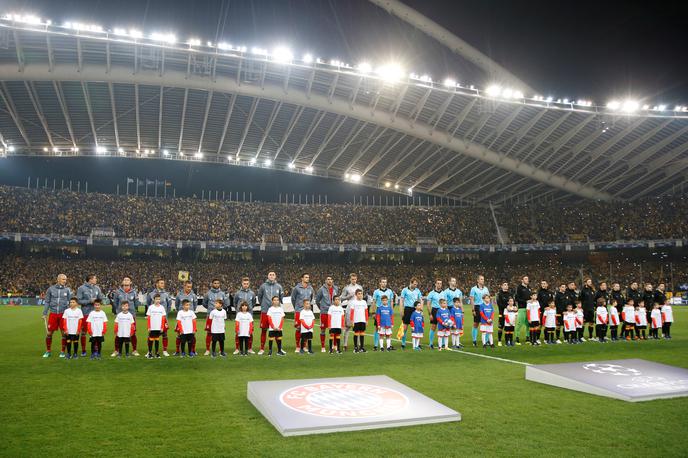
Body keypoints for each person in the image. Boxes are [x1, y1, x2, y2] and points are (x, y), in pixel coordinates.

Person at [42, 273, 72, 358]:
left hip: (63, 314)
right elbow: (47, 302)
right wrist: (44, 313)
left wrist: (71, 313)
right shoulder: (50, 289)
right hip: (53, 314)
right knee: (49, 333)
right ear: (58, 279)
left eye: (65, 280)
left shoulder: (67, 290)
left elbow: (71, 302)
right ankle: (48, 351)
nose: (65, 281)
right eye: (63, 279)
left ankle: (62, 351)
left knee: (64, 334)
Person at [76, 274, 106, 357]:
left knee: (96, 332)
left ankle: (96, 350)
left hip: (96, 313)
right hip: (85, 313)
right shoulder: (81, 288)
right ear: (90, 279)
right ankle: (83, 350)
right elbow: (78, 301)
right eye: (95, 278)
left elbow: (100, 299)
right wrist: (90, 301)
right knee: (84, 332)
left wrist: (99, 301)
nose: (96, 280)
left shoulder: (97, 288)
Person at [256, 272, 284, 355]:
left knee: (277, 330)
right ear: (268, 276)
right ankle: (262, 349)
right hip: (265, 311)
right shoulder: (263, 286)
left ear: (275, 276)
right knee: (264, 330)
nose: (271, 276)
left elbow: (281, 297)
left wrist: (277, 306)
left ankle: (279, 349)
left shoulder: (279, 286)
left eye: (273, 275)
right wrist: (264, 305)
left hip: (276, 312)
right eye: (270, 275)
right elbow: (260, 297)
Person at [112, 277, 140, 357]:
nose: (126, 281)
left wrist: (132, 310)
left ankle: (134, 350)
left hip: (131, 316)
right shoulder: (117, 292)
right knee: (118, 333)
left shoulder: (134, 292)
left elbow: (136, 303)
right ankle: (116, 350)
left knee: (133, 333)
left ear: (130, 282)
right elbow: (115, 303)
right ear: (122, 282)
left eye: (128, 280)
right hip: (120, 316)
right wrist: (118, 311)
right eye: (124, 280)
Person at [203, 279, 230, 356]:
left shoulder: (222, 293)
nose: (216, 284)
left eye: (218, 283)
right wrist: (211, 309)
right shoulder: (208, 294)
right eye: (215, 283)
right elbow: (205, 304)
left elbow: (226, 304)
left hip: (220, 317)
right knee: (209, 333)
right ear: (212, 284)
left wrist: (220, 309)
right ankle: (208, 350)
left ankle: (221, 351)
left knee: (220, 333)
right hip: (210, 316)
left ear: (219, 284)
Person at [146, 279, 172, 356]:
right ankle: (149, 351)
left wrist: (165, 314)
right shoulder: (151, 294)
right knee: (151, 335)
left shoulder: (166, 294)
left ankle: (164, 350)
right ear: (157, 284)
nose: (163, 284)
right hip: (154, 319)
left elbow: (169, 305)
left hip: (163, 318)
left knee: (165, 334)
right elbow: (148, 304)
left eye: (163, 283)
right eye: (161, 283)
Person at [291, 273, 315, 353]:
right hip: (299, 311)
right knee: (298, 329)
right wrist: (297, 308)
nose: (307, 279)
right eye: (306, 277)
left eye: (308, 277)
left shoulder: (310, 288)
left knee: (307, 329)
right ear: (302, 278)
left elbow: (311, 298)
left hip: (307, 311)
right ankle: (298, 346)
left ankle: (304, 346)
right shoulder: (296, 288)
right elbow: (293, 299)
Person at [340, 273, 363, 352]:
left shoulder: (359, 287)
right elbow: (341, 298)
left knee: (358, 327)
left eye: (355, 279)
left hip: (358, 309)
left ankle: (358, 344)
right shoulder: (346, 288)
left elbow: (361, 297)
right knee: (347, 327)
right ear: (350, 279)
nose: (354, 280)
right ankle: (345, 344)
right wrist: (348, 297)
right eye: (352, 279)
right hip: (350, 308)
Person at [315, 275, 338, 352]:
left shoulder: (336, 288)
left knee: (334, 329)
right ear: (325, 281)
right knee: (323, 330)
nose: (330, 280)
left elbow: (336, 299)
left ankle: (334, 345)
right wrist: (322, 308)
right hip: (324, 312)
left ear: (333, 281)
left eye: (331, 279)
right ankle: (323, 347)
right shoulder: (321, 289)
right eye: (328, 279)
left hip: (333, 313)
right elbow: (317, 301)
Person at [234, 277, 256, 355]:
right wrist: (239, 310)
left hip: (249, 316)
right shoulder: (237, 293)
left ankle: (249, 348)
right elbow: (235, 303)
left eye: (247, 284)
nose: (245, 285)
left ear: (249, 284)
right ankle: (237, 348)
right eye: (244, 284)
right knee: (238, 332)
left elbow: (253, 303)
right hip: (240, 316)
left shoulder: (252, 293)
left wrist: (248, 311)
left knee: (250, 332)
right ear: (242, 284)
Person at [399, 277, 423, 349]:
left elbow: (421, 300)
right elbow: (401, 300)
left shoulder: (417, 290)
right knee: (405, 327)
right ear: (411, 283)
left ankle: (417, 344)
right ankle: (403, 343)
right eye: (414, 284)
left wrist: (421, 310)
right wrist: (401, 310)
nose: (416, 286)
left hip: (415, 310)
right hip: (407, 309)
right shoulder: (405, 290)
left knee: (417, 327)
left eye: (416, 284)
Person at [372, 277, 395, 351]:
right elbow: (374, 302)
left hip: (387, 312)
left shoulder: (390, 291)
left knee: (389, 329)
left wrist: (391, 310)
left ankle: (389, 345)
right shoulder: (376, 292)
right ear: (380, 283)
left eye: (385, 282)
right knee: (377, 328)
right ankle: (375, 345)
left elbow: (391, 301)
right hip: (379, 311)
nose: (384, 283)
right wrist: (373, 312)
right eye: (383, 282)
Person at [175, 281, 197, 355]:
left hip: (190, 319)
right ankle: (178, 351)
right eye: (188, 287)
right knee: (179, 335)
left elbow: (195, 305)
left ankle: (192, 350)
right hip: (182, 318)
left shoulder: (193, 295)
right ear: (184, 286)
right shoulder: (179, 295)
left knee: (192, 336)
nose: (189, 288)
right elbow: (177, 305)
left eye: (190, 287)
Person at [145, 294, 168, 358]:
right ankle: (149, 353)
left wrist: (162, 327)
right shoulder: (150, 307)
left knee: (157, 340)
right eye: (156, 299)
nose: (158, 300)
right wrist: (149, 327)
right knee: (151, 340)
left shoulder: (162, 307)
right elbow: (148, 318)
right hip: (152, 327)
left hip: (159, 327)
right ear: (154, 299)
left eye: (159, 299)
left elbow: (163, 318)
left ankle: (157, 353)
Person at [426, 279, 444, 350]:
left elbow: (445, 303)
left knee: (443, 327)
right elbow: (428, 304)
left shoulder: (443, 293)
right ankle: (431, 343)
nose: (439, 285)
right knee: (433, 326)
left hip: (442, 311)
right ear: (435, 284)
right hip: (434, 310)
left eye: (440, 283)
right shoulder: (431, 293)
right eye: (438, 283)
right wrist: (430, 314)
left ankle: (442, 343)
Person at [514, 275, 531, 345]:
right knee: (519, 324)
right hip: (522, 308)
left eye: (527, 279)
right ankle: (517, 339)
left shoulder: (529, 288)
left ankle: (528, 338)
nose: (527, 280)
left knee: (528, 324)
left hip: (529, 309)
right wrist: (525, 301)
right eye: (525, 279)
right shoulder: (519, 288)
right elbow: (517, 299)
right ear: (522, 280)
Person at [495, 281, 511, 346]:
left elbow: (513, 303)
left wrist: (514, 307)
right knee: (500, 327)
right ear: (502, 286)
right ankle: (499, 340)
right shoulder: (499, 294)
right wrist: (507, 307)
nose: (506, 286)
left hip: (509, 314)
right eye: (504, 285)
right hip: (502, 313)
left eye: (507, 285)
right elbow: (499, 304)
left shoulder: (510, 294)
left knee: (508, 327)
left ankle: (508, 340)